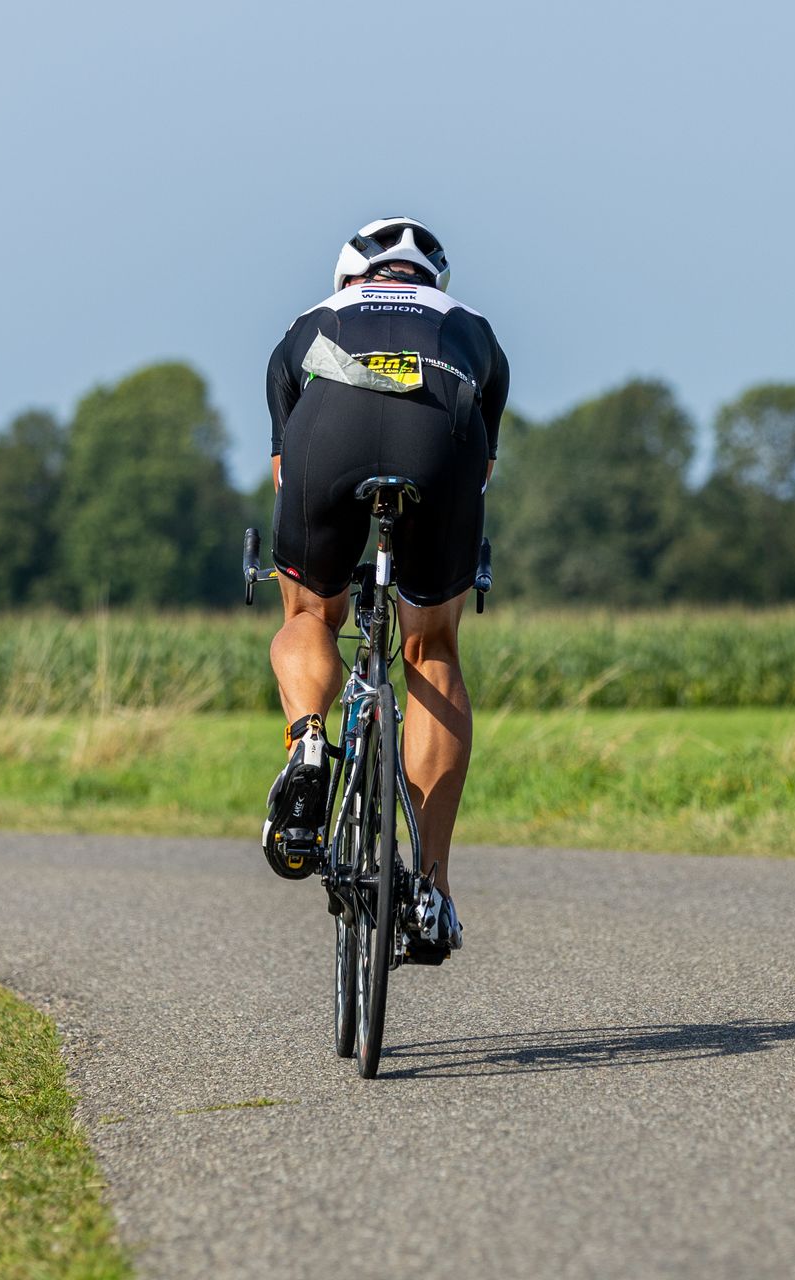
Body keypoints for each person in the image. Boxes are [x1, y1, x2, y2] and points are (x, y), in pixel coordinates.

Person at [261, 216, 509, 957]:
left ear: (350, 277)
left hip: (329, 423)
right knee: (433, 648)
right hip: (441, 427)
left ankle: (310, 740)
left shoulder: (311, 320)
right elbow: (481, 471)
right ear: (433, 283)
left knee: (310, 612)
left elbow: (284, 472)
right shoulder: (473, 328)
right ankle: (431, 889)